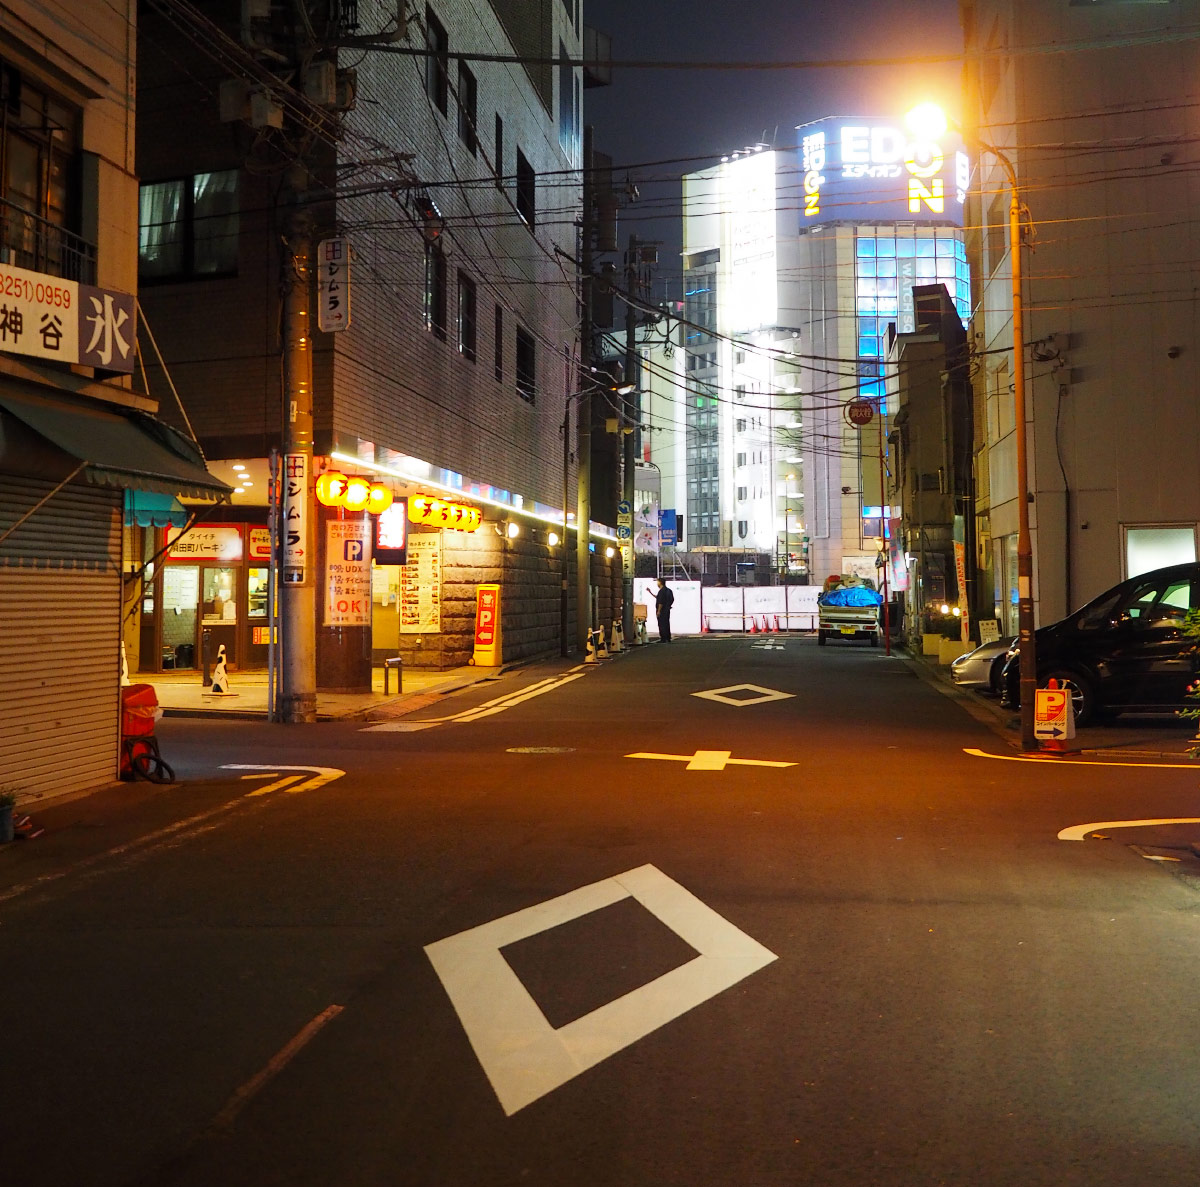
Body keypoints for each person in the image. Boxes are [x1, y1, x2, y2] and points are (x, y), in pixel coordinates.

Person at [655, 578, 674, 643]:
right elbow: (671, 599)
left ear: (660, 582)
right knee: (666, 623)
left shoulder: (661, 591)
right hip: (667, 609)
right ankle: (668, 638)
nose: (657, 584)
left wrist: (659, 611)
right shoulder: (669, 590)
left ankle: (663, 638)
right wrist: (668, 605)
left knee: (661, 624)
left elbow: (660, 602)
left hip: (662, 610)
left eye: (657, 582)